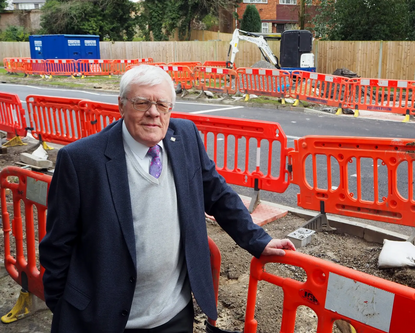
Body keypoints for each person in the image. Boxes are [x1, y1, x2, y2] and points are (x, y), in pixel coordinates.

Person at [39, 64, 296, 333]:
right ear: (121, 105)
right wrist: (65, 310)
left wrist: (258, 240)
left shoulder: (184, 136)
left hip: (172, 315)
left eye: (162, 104)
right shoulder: (81, 160)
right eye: (142, 102)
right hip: (103, 320)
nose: (153, 112)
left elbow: (217, 195)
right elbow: (58, 245)